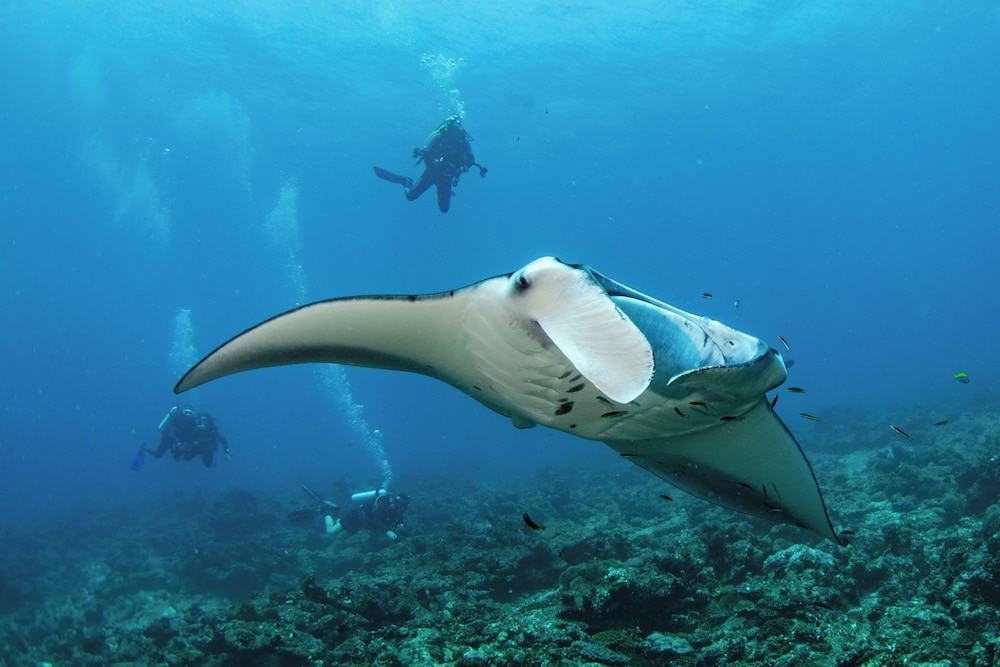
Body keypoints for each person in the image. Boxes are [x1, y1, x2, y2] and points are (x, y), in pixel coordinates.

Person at [374, 115, 487, 213]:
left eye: (454, 125)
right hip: (431, 173)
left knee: (444, 209)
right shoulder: (440, 136)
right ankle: (405, 181)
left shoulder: (462, 140)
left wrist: (460, 169)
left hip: (447, 177)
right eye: (450, 124)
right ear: (447, 124)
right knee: (410, 196)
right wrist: (435, 161)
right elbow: (426, 151)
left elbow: (471, 159)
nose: (452, 128)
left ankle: (446, 192)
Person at [288, 485, 409, 541]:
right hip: (355, 516)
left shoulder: (397, 511)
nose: (397, 507)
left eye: (401, 506)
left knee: (340, 539)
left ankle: (335, 513)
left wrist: (403, 528)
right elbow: (377, 519)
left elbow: (400, 521)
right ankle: (326, 511)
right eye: (397, 503)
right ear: (394, 499)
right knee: (330, 532)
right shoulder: (384, 504)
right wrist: (387, 531)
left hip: (362, 524)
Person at [139, 404, 231, 469]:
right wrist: (181, 445)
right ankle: (144, 448)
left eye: (190, 413)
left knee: (207, 465)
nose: (188, 415)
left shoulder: (210, 429)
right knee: (159, 455)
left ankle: (185, 451)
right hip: (169, 440)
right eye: (186, 412)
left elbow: (223, 440)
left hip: (200, 447)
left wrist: (227, 452)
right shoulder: (178, 419)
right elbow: (172, 433)